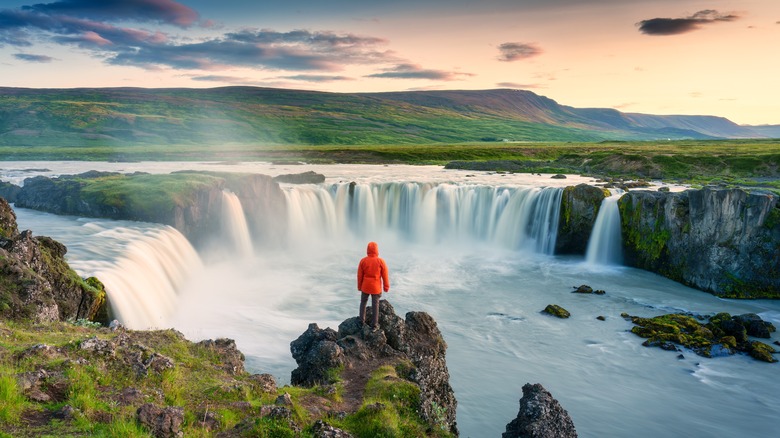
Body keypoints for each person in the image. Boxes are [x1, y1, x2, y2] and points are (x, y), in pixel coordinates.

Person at [357, 241, 390, 329]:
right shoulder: (381, 261)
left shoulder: (363, 261)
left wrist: (359, 286)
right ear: (377, 250)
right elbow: (385, 275)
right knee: (375, 305)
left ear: (367, 250)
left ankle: (361, 321)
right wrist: (386, 286)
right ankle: (374, 325)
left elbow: (359, 275)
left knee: (363, 303)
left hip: (365, 286)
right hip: (376, 288)